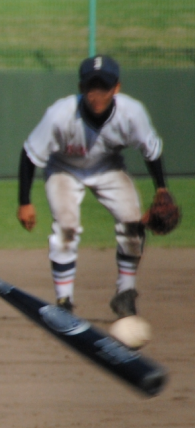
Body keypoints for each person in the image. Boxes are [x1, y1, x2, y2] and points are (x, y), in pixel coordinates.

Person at [16, 55, 169, 317]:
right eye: (91, 87)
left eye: (104, 87)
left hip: (108, 167)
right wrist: (24, 202)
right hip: (64, 168)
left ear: (117, 88)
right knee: (66, 228)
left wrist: (162, 189)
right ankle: (64, 302)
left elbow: (151, 151)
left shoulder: (132, 113)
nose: (96, 94)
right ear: (81, 88)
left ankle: (125, 294)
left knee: (133, 225)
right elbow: (30, 155)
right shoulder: (60, 115)